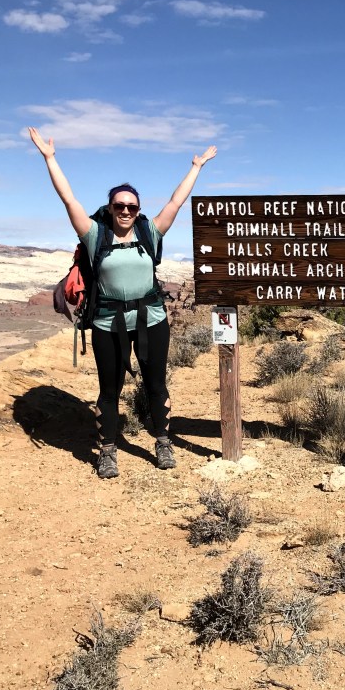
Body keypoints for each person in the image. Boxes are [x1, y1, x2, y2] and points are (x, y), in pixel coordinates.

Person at [28, 126, 217, 478]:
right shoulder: (94, 235)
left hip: (151, 319)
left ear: (138, 209)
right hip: (106, 322)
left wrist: (196, 166)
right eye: (120, 205)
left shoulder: (151, 232)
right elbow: (69, 200)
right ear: (111, 208)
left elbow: (176, 202)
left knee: (156, 383)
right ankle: (108, 451)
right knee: (109, 389)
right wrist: (50, 159)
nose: (126, 211)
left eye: (132, 206)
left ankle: (163, 442)